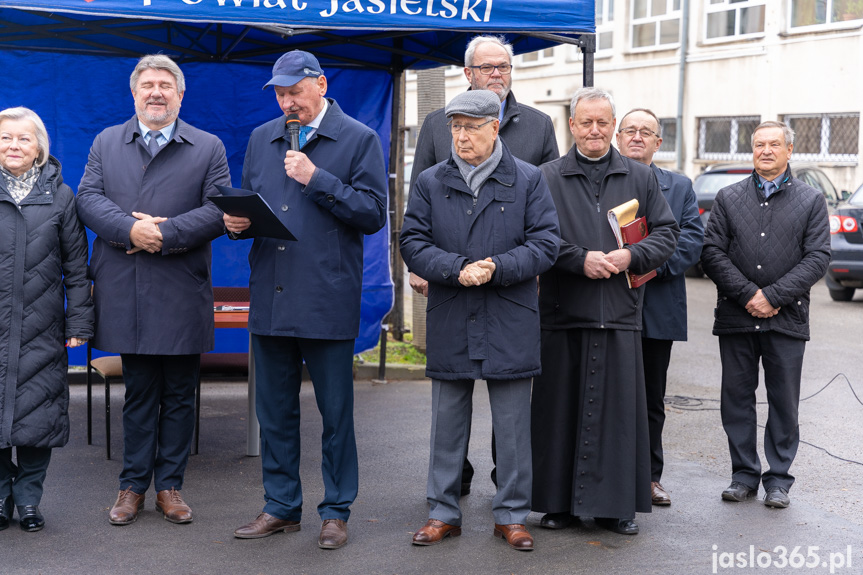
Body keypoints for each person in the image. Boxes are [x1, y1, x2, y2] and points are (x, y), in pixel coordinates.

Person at [225, 50, 387, 550]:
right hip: (271, 294)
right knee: (274, 413)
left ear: (320, 83)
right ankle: (281, 506)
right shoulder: (261, 138)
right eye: (279, 92)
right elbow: (253, 204)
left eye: (295, 91)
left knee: (335, 415)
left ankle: (336, 510)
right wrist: (236, 224)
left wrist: (317, 178)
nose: (286, 101)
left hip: (326, 298)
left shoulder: (358, 138)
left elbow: (373, 213)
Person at [400, 90, 559, 551]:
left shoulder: (528, 178)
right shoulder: (432, 180)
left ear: (495, 128)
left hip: (509, 316)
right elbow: (412, 240)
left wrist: (497, 266)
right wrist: (454, 269)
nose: (462, 136)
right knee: (446, 424)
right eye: (455, 127)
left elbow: (546, 242)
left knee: (512, 428)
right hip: (452, 311)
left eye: (471, 127)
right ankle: (442, 513)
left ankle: (510, 515)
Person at [77, 55, 230, 526]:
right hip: (129, 287)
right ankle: (131, 487)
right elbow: (88, 199)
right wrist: (130, 230)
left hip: (181, 287)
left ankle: (170, 486)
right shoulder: (107, 141)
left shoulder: (207, 146)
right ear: (134, 93)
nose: (157, 92)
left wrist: (167, 234)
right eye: (148, 85)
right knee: (140, 392)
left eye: (166, 85)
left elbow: (220, 208)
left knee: (182, 393)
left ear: (181, 95)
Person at [531, 87, 679, 536]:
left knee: (618, 419)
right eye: (585, 122)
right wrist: (579, 259)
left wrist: (630, 258)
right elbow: (534, 235)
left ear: (612, 126)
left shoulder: (640, 176)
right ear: (571, 126)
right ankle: (557, 504)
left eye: (602, 122)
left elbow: (667, 234)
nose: (594, 130)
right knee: (558, 414)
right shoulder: (546, 176)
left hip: (618, 313)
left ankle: (617, 507)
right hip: (563, 311)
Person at [701, 121, 830, 509]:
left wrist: (773, 296)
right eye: (759, 145)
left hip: (786, 318)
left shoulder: (811, 200)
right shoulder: (728, 197)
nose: (766, 151)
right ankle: (743, 475)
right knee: (736, 399)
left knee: (783, 402)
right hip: (737, 317)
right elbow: (711, 253)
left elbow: (818, 257)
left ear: (790, 150)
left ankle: (778, 480)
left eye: (775, 144)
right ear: (751, 150)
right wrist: (748, 296)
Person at [0, 107, 94, 533]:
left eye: (23, 138)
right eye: (5, 138)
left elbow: (77, 267)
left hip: (42, 327)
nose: (13, 146)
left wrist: (78, 324)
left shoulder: (61, 196)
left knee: (38, 416)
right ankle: (1, 496)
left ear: (39, 148)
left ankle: (30, 500)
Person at [615, 108, 704, 506]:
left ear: (658, 142)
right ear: (618, 137)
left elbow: (689, 243)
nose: (637, 137)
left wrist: (640, 267)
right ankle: (605, 474)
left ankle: (650, 477)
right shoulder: (604, 181)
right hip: (606, 302)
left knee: (650, 398)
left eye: (645, 132)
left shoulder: (681, 186)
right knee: (604, 393)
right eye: (630, 130)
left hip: (658, 306)